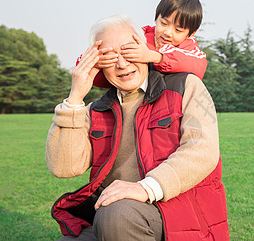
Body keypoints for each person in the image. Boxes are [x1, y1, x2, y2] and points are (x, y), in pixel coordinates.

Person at [46, 14, 229, 240]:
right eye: (110, 57)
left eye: (128, 51)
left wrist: (145, 188)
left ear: (144, 48)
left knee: (117, 213)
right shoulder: (96, 110)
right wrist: (74, 98)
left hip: (172, 214)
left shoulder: (186, 86)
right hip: (111, 217)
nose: (122, 64)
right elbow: (64, 167)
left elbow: (203, 150)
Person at [83, 0, 207, 89]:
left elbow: (198, 66)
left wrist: (155, 57)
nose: (168, 32)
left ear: (191, 33)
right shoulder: (141, 37)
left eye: (178, 30)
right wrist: (97, 62)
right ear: (156, 16)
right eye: (163, 23)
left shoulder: (190, 49)